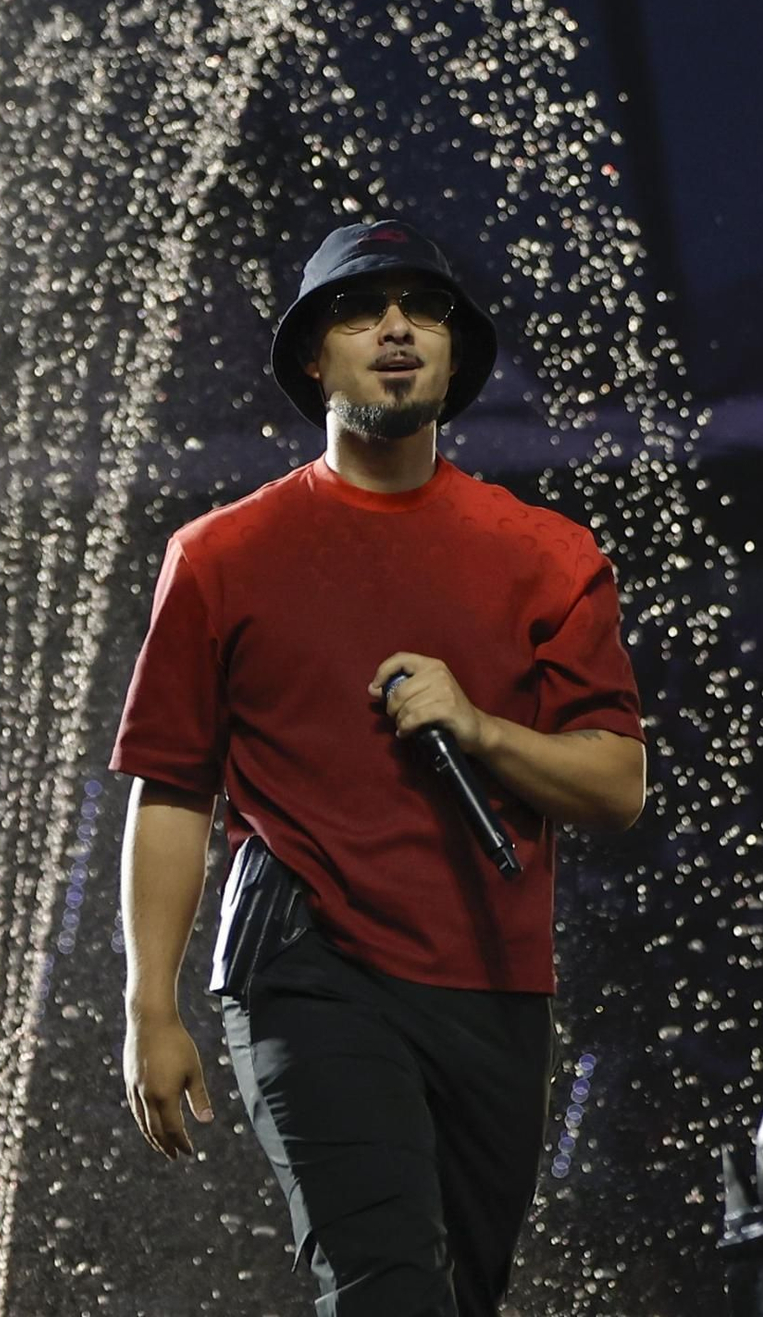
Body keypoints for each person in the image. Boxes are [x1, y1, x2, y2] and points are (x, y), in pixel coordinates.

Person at [111, 216, 646, 1317]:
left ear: (454, 354)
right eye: (361, 309)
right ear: (316, 355)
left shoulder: (550, 556)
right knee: (388, 1291)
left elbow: (616, 784)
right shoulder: (219, 557)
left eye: (423, 310)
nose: (396, 328)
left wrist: (480, 727)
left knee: (459, 1295)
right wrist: (147, 1008)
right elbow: (170, 787)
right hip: (305, 968)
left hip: (494, 980)